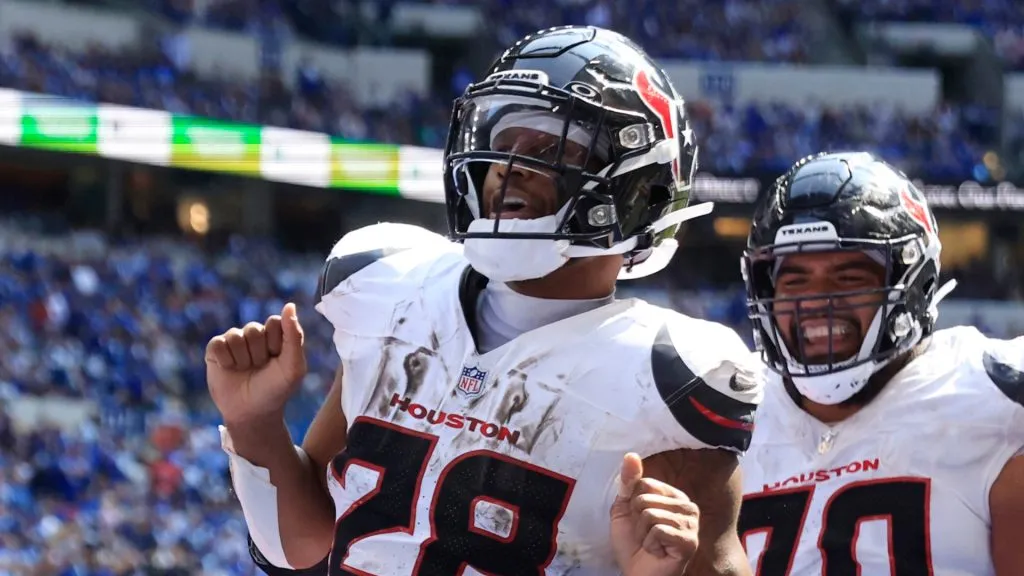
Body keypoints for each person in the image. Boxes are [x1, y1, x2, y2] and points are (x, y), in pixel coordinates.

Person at [207, 26, 762, 576]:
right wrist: (254, 422)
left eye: (548, 148)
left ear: (636, 187)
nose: (507, 168)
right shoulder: (391, 291)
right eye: (503, 144)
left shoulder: (669, 378)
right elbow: (300, 547)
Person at [736, 151, 1024, 575]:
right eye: (795, 280)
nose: (816, 301)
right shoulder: (726, 408)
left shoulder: (995, 395)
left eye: (849, 278)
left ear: (914, 285)